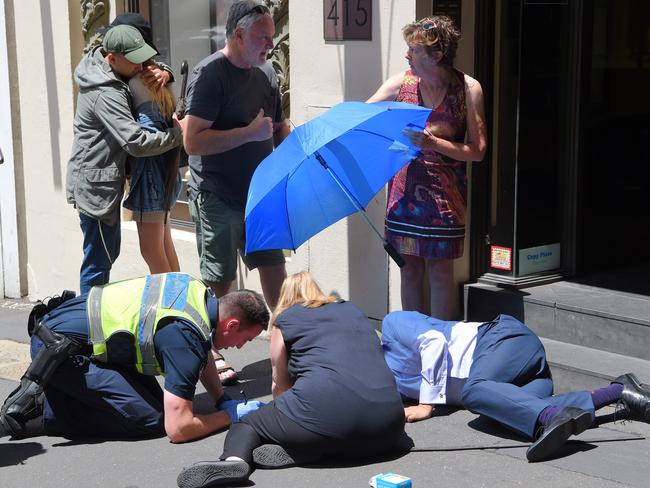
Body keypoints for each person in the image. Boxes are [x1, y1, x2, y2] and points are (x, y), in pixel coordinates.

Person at [176, 272, 406, 488]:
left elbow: (280, 386)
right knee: (328, 427)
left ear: (284, 299)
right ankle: (308, 448)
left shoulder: (285, 320)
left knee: (248, 424)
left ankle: (235, 461)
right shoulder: (353, 310)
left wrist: (282, 417)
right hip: (390, 428)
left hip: (328, 417)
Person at [0, 273, 267, 443]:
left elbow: (204, 352)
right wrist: (230, 417)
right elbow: (179, 428)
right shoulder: (185, 338)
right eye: (246, 339)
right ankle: (43, 410)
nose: (242, 347)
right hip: (59, 352)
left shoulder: (198, 293)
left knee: (155, 406)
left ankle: (67, 392)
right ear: (231, 325)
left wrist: (221, 399)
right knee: (151, 421)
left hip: (72, 336)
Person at [182, 0, 290, 384]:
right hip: (217, 193)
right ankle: (210, 352)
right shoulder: (210, 74)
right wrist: (249, 133)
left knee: (274, 268)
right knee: (219, 279)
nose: (270, 45)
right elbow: (192, 141)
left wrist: (298, 152)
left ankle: (286, 342)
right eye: (263, 37)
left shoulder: (266, 75)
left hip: (258, 194)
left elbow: (278, 126)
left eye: (272, 38)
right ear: (239, 35)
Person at [381, 311, 650, 462]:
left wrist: (426, 404)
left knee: (474, 392)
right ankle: (619, 392)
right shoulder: (388, 383)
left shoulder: (393, 325)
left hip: (503, 340)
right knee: (499, 412)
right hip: (526, 381)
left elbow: (434, 342)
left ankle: (550, 418)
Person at [367, 16, 487, 319]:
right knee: (409, 270)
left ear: (436, 56)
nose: (407, 55)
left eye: (413, 50)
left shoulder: (468, 89)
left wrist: (433, 144)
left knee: (440, 272)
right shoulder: (401, 83)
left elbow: (479, 151)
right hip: (404, 194)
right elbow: (363, 117)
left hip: (446, 197)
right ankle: (414, 342)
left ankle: (441, 345)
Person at [66, 24, 183, 294]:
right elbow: (136, 142)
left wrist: (166, 71)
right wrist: (178, 135)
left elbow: (145, 68)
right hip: (96, 188)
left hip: (108, 182)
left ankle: (179, 308)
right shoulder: (104, 92)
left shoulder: (119, 71)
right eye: (135, 60)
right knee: (98, 263)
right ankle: (90, 329)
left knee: (111, 256)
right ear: (111, 58)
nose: (142, 66)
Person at [123, 59, 182, 274]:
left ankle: (169, 305)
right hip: (165, 174)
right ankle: (180, 301)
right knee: (165, 247)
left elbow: (148, 134)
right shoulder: (157, 75)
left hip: (150, 177)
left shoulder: (136, 81)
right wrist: (167, 71)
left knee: (152, 251)